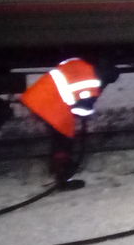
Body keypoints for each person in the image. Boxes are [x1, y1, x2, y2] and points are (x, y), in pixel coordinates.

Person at [19, 57, 105, 188]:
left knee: (60, 138)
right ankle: (62, 177)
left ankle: (58, 171)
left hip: (40, 98)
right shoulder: (91, 80)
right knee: (64, 140)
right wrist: (88, 112)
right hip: (51, 105)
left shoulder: (82, 67)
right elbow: (82, 110)